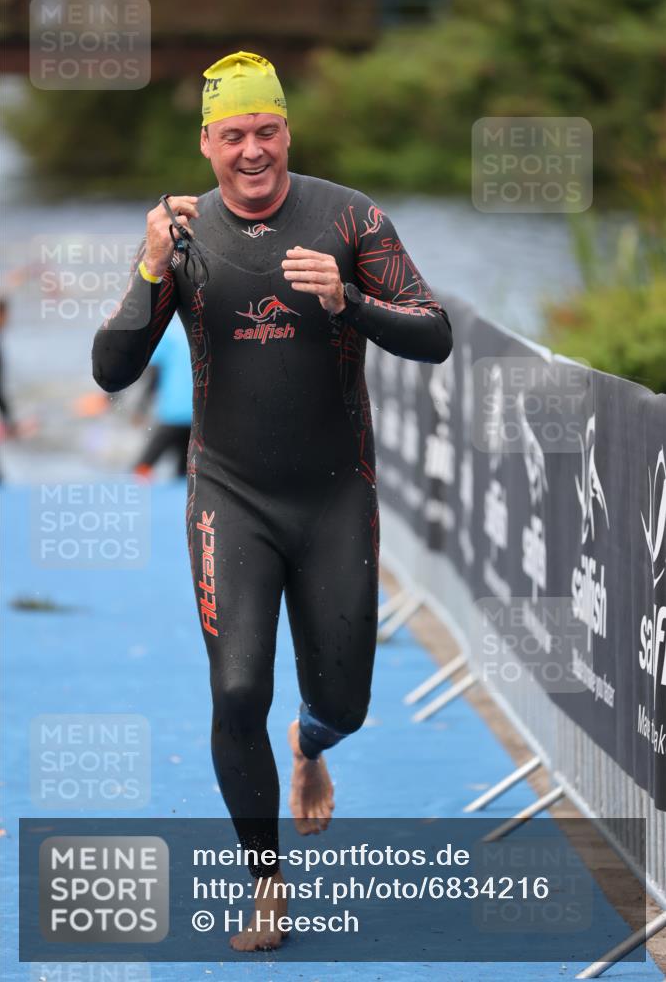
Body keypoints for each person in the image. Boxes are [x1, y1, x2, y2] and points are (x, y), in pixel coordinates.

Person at [92, 50, 452, 951]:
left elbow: (434, 333)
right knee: (236, 690)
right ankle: (266, 887)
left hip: (336, 497)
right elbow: (110, 369)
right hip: (229, 495)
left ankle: (312, 747)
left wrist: (349, 304)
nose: (252, 152)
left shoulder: (349, 218)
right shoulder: (178, 236)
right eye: (233, 136)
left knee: (346, 702)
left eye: (267, 131)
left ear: (286, 130)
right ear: (206, 142)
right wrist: (145, 270)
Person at [132, 316, 192, 479]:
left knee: (142, 467)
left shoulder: (168, 332)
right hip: (200, 416)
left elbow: (154, 375)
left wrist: (141, 407)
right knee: (185, 473)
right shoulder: (205, 330)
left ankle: (139, 499)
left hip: (173, 413)